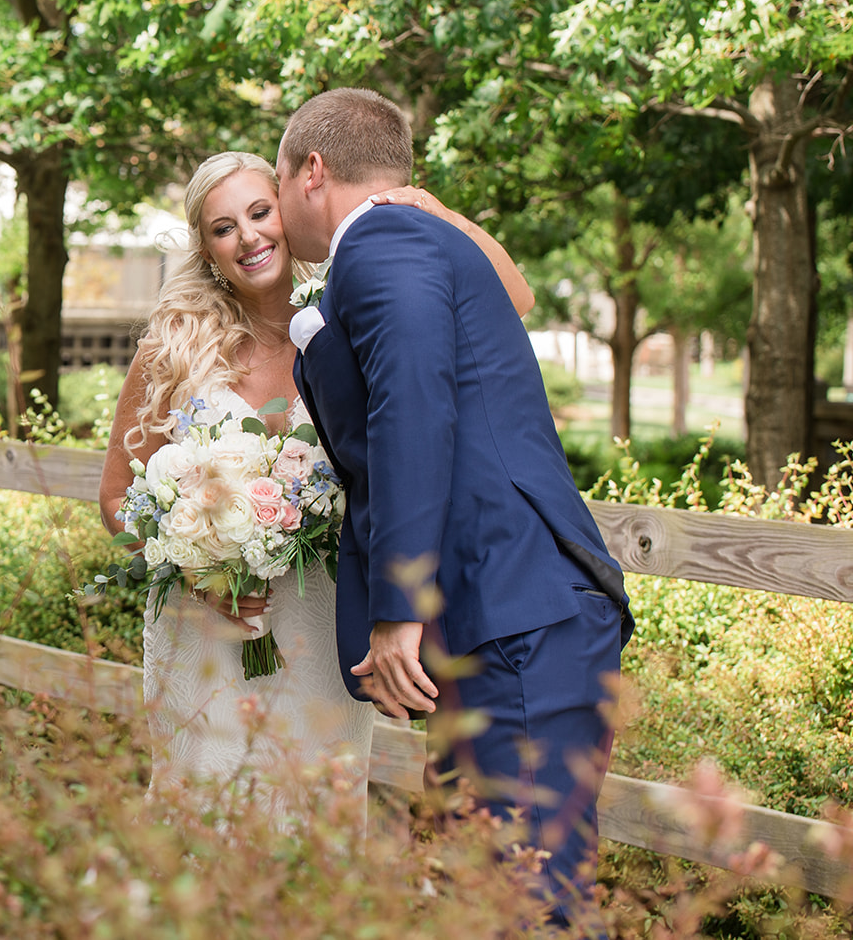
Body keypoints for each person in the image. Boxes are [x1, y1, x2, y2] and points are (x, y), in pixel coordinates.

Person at [276, 88, 634, 931]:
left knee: (531, 904)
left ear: (312, 171)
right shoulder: (413, 243)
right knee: (487, 897)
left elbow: (412, 409)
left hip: (516, 617)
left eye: (279, 175)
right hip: (502, 628)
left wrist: (400, 609)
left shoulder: (385, 240)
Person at [98, 150, 533, 827]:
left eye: (260, 211)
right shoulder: (174, 344)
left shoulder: (345, 319)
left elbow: (515, 298)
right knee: (202, 818)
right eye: (222, 227)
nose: (247, 235)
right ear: (207, 249)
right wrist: (199, 568)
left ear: (287, 212)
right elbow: (116, 498)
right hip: (202, 633)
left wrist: (437, 212)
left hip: (318, 626)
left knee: (311, 824)